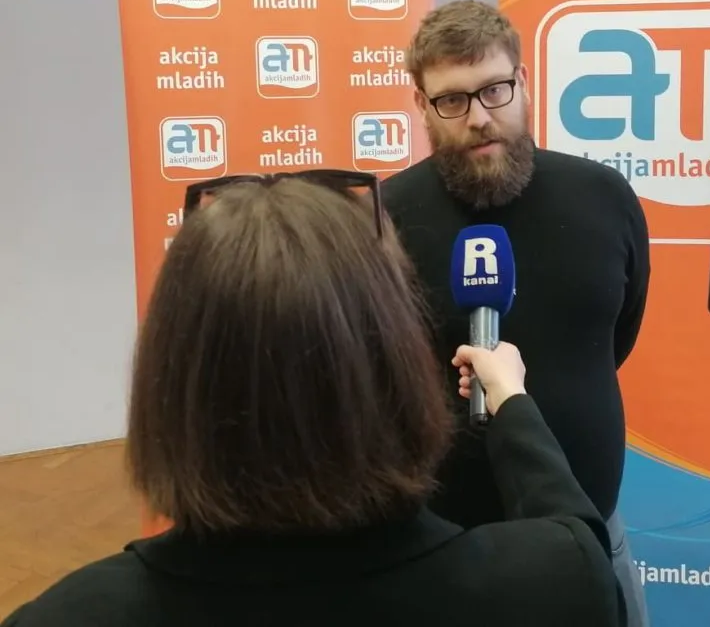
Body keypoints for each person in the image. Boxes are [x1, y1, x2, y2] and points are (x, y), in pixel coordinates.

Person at [0, 172, 625, 627]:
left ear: (171, 387)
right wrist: (512, 402)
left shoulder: (66, 618)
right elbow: (573, 531)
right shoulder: (548, 587)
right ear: (396, 365)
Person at [381, 0, 651, 627]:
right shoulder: (385, 219)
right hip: (443, 548)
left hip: (589, 536)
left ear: (522, 82)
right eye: (452, 100)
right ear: (421, 104)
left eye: (494, 90)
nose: (479, 117)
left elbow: (617, 336)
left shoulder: (604, 197)